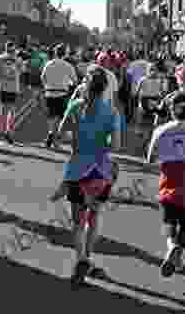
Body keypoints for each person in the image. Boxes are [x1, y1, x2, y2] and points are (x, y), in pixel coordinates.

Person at [50, 66, 122, 285]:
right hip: (101, 170)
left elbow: (59, 136)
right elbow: (116, 146)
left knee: (78, 222)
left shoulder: (75, 106)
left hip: (77, 169)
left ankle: (81, 259)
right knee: (94, 216)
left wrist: (73, 139)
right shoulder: (112, 112)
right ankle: (87, 259)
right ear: (105, 89)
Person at [146, 93, 185, 277]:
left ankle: (173, 248)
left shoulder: (160, 130)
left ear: (171, 109)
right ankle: (178, 254)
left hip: (169, 178)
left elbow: (150, 158)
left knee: (169, 225)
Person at [42, 44, 78, 148]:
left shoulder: (48, 64)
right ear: (65, 53)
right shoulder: (67, 65)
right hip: (61, 93)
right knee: (59, 118)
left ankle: (50, 134)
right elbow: (74, 80)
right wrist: (69, 84)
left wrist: (47, 85)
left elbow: (43, 77)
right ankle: (55, 141)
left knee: (51, 116)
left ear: (55, 53)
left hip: (49, 92)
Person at [0, 41, 23, 144]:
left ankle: (3, 130)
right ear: (13, 49)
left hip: (3, 87)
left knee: (3, 110)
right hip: (13, 88)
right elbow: (22, 71)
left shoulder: (0, 58)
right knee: (12, 110)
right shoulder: (18, 59)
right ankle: (9, 131)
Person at [133, 62, 167, 136]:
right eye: (152, 69)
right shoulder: (158, 79)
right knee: (156, 114)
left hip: (147, 99)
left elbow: (136, 91)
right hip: (152, 99)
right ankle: (155, 129)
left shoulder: (143, 79)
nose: (153, 71)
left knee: (140, 112)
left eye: (153, 69)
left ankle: (139, 129)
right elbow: (162, 91)